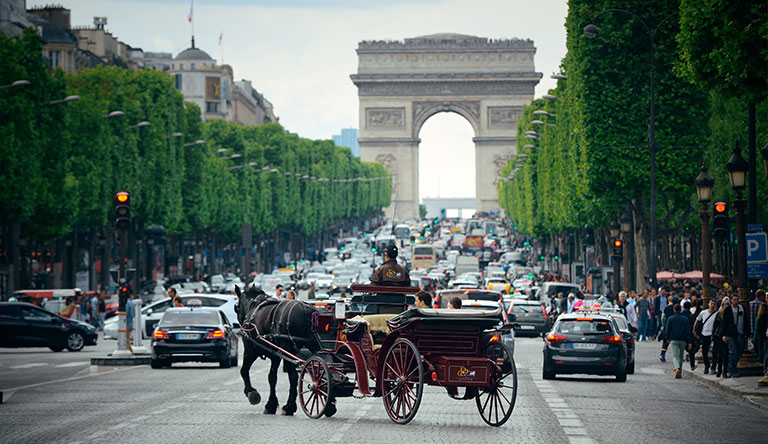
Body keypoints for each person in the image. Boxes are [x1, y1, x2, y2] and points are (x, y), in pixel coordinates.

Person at [721, 294, 746, 378]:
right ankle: (732, 371)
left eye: (737, 300)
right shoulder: (728, 310)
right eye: (734, 300)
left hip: (740, 332)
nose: (736, 301)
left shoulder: (742, 308)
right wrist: (724, 334)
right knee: (732, 352)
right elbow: (724, 323)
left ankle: (734, 368)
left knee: (739, 351)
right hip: (730, 334)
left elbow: (746, 320)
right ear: (731, 300)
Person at [665, 304, 692, 379]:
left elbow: (668, 329)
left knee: (675, 356)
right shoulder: (685, 319)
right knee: (680, 356)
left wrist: (667, 337)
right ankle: (679, 370)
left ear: (674, 310)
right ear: (681, 310)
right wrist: (689, 341)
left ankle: (677, 368)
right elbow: (688, 331)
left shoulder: (670, 318)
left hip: (673, 339)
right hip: (682, 339)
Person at [693, 299, 718, 374]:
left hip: (713, 335)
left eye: (714, 304)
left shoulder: (717, 314)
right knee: (704, 351)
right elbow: (697, 320)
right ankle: (706, 366)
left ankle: (713, 367)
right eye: (711, 303)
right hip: (704, 334)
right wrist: (694, 330)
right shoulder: (703, 313)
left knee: (714, 351)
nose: (712, 305)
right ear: (708, 304)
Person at [712, 296, 731, 377]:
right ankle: (719, 370)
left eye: (727, 304)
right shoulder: (719, 313)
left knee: (726, 354)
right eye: (724, 304)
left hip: (727, 335)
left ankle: (725, 371)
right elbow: (715, 325)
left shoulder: (730, 313)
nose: (726, 305)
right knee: (720, 354)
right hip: (719, 336)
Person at [125, 291, 135, 355]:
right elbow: (134, 314)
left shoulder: (127, 303)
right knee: (127, 338)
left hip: (127, 323)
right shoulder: (131, 303)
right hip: (131, 323)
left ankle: (130, 352)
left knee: (126, 339)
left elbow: (126, 313)